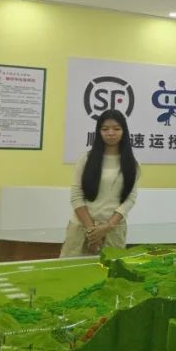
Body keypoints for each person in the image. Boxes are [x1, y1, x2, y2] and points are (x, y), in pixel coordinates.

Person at [60, 110, 141, 257]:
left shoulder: (132, 164)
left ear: (124, 131)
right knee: (73, 270)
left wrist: (107, 227)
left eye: (116, 128)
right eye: (105, 129)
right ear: (99, 132)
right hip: (81, 229)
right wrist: (93, 232)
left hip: (113, 230)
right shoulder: (86, 159)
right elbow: (76, 196)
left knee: (110, 270)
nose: (111, 133)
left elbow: (130, 198)